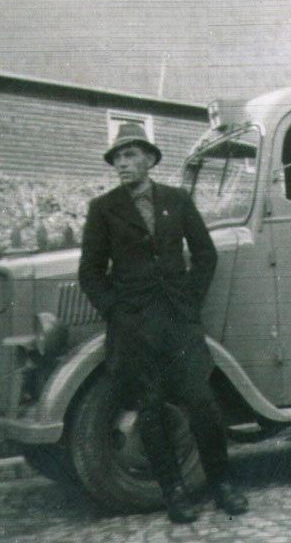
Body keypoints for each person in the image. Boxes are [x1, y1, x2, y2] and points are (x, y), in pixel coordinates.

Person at [78, 123, 248, 523]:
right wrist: (117, 311)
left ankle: (222, 484)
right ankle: (174, 493)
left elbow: (205, 254)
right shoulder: (103, 209)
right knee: (151, 410)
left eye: (131, 155)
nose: (123, 163)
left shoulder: (177, 200)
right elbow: (90, 273)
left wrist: (189, 300)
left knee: (202, 403)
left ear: (150, 159)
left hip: (178, 321)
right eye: (117, 157)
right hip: (135, 328)